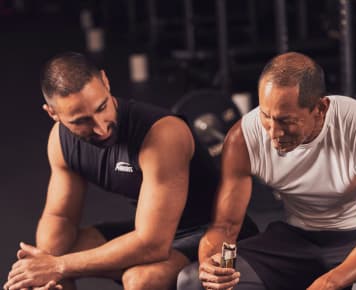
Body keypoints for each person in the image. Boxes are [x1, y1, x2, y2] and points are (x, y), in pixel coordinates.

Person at [3, 51, 258, 290]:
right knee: (53, 254)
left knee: (140, 280)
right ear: (53, 113)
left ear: (105, 81)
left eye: (102, 107)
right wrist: (43, 266)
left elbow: (153, 244)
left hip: (214, 230)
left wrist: (58, 266)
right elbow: (60, 218)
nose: (101, 128)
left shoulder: (162, 135)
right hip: (155, 227)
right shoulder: (60, 142)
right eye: (81, 121)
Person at [177, 51, 356, 290]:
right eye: (266, 116)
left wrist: (328, 283)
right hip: (295, 242)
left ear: (320, 108)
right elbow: (225, 227)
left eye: (286, 121)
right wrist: (213, 265)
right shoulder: (242, 139)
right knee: (194, 281)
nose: (273, 133)